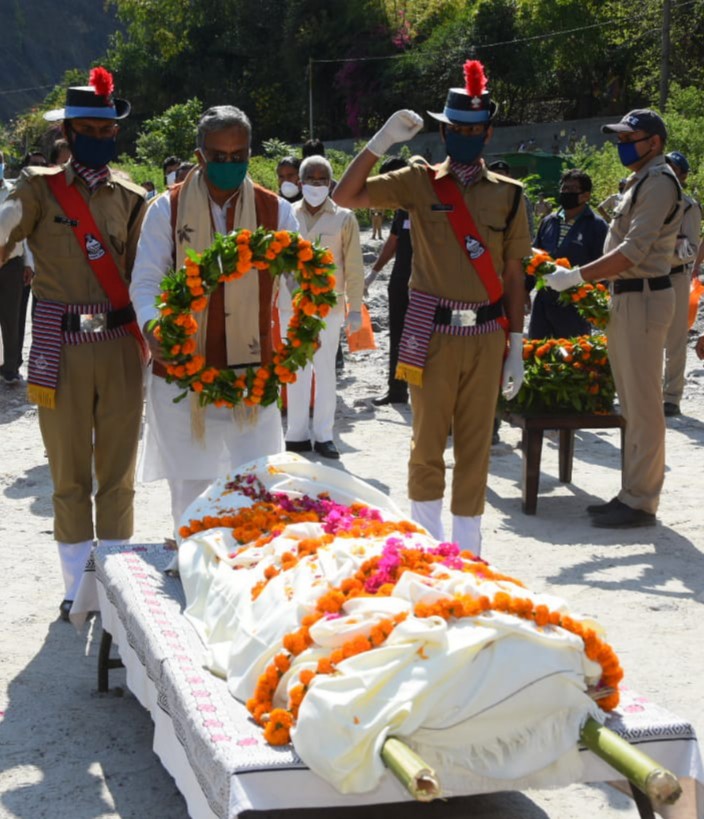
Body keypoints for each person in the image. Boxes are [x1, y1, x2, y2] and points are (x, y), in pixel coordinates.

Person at [333, 59, 530, 554]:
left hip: (486, 336)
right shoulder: (418, 182)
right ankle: (426, 544)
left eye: (475, 129)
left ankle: (467, 550)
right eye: (457, 128)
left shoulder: (510, 197)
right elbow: (346, 194)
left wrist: (517, 344)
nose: (465, 135)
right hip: (431, 331)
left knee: (474, 447)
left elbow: (512, 276)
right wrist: (381, 143)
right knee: (425, 445)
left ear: (487, 134)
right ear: (444, 130)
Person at [0, 68, 148, 619]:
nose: (101, 139)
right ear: (68, 132)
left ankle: (111, 586)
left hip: (118, 345)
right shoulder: (38, 189)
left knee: (118, 475)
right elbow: (6, 228)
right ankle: (74, 591)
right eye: (90, 129)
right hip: (58, 349)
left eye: (108, 132)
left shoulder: (133, 196)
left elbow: (146, 272)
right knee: (67, 474)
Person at [130, 105, 299, 531]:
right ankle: (192, 567)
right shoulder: (164, 210)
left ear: (249, 152)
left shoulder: (277, 211)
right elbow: (146, 282)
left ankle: (246, 581)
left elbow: (302, 280)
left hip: (251, 374)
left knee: (256, 490)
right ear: (199, 155)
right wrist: (153, 327)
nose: (229, 164)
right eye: (218, 157)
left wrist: (310, 329)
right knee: (192, 493)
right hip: (184, 374)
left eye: (238, 155)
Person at [543, 109, 682, 529]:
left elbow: (633, 251)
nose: (623, 144)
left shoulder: (658, 183)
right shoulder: (640, 180)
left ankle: (641, 501)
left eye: (630, 137)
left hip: (642, 298)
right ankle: (631, 492)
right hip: (625, 298)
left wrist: (577, 277)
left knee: (643, 405)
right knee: (631, 404)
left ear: (653, 142)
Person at [281, 154, 363, 460]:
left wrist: (355, 308)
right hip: (290, 305)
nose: (316, 185)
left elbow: (354, 266)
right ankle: (296, 435)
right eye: (310, 179)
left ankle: (324, 435)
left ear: (330, 183)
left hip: (329, 307)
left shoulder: (345, 218)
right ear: (299, 183)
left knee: (325, 369)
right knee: (296, 370)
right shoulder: (285, 214)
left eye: (322, 179)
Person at [529, 169, 608, 339]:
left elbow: (604, 267)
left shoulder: (597, 226)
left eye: (572, 190)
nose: (566, 193)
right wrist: (524, 291)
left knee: (572, 355)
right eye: (564, 189)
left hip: (576, 303)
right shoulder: (549, 221)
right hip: (544, 299)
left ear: (585, 195)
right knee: (536, 349)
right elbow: (533, 259)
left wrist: (597, 306)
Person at [365, 156, 412, 406]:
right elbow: (393, 241)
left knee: (437, 339)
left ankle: (434, 393)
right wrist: (373, 274)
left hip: (433, 282)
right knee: (397, 333)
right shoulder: (401, 207)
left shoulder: (431, 201)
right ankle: (397, 390)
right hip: (401, 280)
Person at [663, 151, 702, 416]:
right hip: (644, 277)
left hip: (674, 276)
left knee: (675, 340)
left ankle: (671, 396)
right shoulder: (646, 200)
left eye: (674, 170)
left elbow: (689, 248)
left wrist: (657, 247)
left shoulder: (689, 206)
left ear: (683, 176)